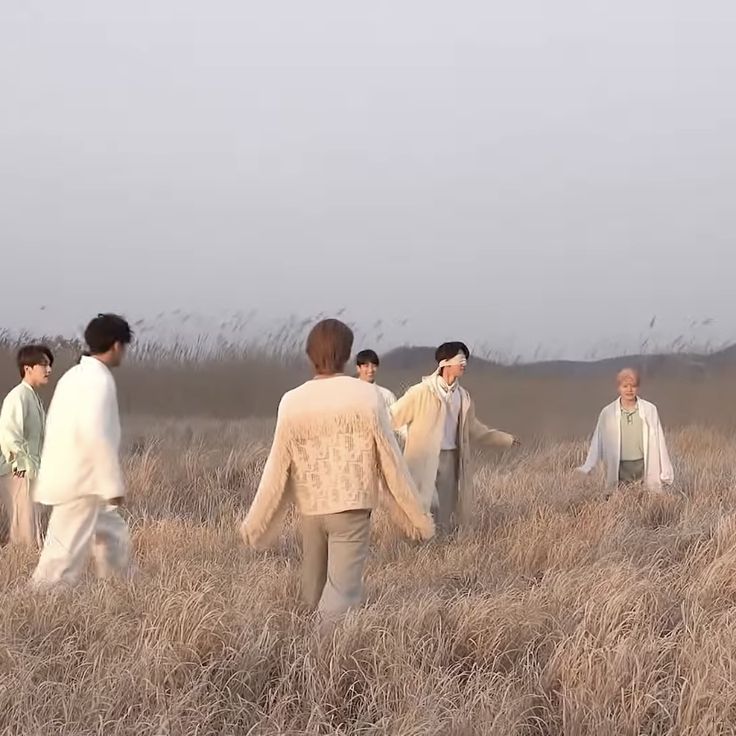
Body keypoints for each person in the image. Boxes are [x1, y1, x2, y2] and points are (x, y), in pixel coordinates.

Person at [240, 318, 433, 625]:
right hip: (351, 508)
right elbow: (391, 461)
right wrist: (417, 517)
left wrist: (255, 523)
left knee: (312, 588)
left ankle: (298, 651)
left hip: (311, 509)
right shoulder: (366, 396)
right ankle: (320, 658)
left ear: (309, 353)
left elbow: (276, 466)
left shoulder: (291, 401)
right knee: (342, 592)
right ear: (346, 354)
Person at [31, 314, 134, 588]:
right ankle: (37, 605)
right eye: (124, 346)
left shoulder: (75, 375)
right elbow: (95, 434)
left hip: (76, 478)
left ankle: (122, 591)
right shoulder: (97, 381)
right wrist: (111, 484)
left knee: (113, 536)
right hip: (81, 483)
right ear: (115, 345)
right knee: (59, 562)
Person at [390, 341, 520, 536]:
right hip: (422, 459)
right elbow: (391, 417)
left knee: (445, 509)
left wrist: (506, 440)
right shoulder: (420, 392)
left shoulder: (463, 397)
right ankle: (412, 549)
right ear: (444, 363)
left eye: (465, 359)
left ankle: (438, 551)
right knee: (421, 505)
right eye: (460, 359)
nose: (464, 363)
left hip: (451, 459)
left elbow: (475, 430)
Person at [577, 367, 674, 492]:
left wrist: (666, 471)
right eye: (625, 386)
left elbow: (659, 440)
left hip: (643, 466)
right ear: (618, 388)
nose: (629, 390)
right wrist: (588, 466)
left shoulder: (650, 410)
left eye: (633, 386)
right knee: (618, 500)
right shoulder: (607, 412)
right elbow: (598, 440)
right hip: (619, 468)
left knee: (645, 499)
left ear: (638, 387)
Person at [0, 345, 54, 546]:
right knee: (24, 531)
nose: (49, 370)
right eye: (44, 364)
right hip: (18, 472)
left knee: (30, 528)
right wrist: (21, 465)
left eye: (49, 365)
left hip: (30, 472)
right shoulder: (19, 396)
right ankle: (18, 573)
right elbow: (9, 433)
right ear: (27, 368)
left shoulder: (33, 397)